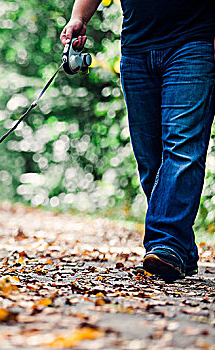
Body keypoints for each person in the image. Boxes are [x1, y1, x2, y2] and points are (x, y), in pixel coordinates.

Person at [60, 0, 215, 282]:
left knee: (181, 147)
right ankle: (181, 248)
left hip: (194, 43)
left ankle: (165, 243)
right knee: (149, 158)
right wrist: (78, 17)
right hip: (136, 47)